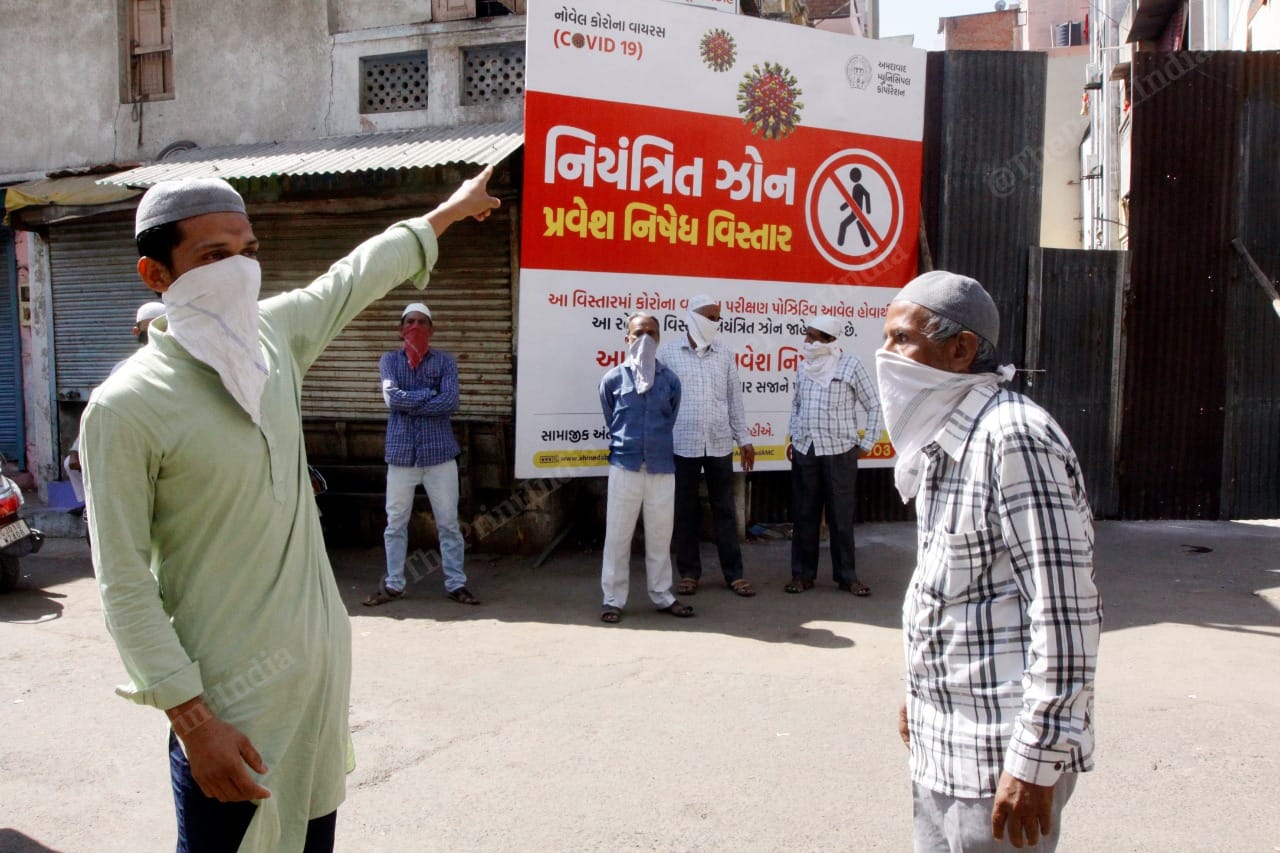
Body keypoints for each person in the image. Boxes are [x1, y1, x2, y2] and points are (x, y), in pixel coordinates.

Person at [79, 168, 499, 852]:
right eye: (214, 256)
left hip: (316, 693)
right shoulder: (125, 408)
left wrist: (447, 214)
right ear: (157, 274)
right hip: (230, 706)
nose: (240, 270)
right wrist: (193, 722)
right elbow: (122, 584)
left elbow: (354, 276)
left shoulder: (272, 340)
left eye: (248, 250)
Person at [877, 271, 1102, 852]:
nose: (886, 356)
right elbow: (954, 594)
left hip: (1000, 757)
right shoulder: (945, 440)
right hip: (942, 740)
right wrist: (919, 692)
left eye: (901, 338)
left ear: (960, 349)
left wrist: (1035, 761)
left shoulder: (1014, 438)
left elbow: (1067, 614)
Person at [362, 302, 477, 607]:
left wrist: (410, 400)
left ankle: (456, 583)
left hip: (440, 456)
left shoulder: (444, 361)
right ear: (401, 330)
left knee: (449, 523)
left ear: (432, 329)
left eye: (422, 322)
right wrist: (428, 394)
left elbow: (451, 401)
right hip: (401, 456)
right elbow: (392, 398)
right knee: (396, 522)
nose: (416, 327)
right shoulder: (389, 361)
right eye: (410, 322)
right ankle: (394, 583)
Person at [597, 312, 694, 623]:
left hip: (662, 469)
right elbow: (610, 416)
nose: (645, 340)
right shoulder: (612, 379)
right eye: (639, 333)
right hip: (625, 467)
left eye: (651, 333)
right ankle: (613, 600)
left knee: (660, 536)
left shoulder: (670, 381)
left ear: (659, 339)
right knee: (617, 537)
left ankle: (663, 595)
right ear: (627, 339)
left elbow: (672, 418)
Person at [658, 294, 757, 598]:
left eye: (718, 318)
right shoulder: (668, 354)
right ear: (693, 318)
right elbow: (660, 401)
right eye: (710, 317)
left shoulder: (724, 355)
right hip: (681, 443)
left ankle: (734, 574)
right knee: (684, 510)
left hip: (718, 443)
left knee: (725, 509)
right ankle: (688, 573)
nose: (716, 323)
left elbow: (734, 400)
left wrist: (745, 439)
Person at [785, 314, 882, 596]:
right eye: (807, 335)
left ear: (828, 340)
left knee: (841, 517)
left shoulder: (851, 365)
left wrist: (869, 443)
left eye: (812, 337)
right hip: (807, 449)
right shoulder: (804, 367)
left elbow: (874, 405)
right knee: (804, 516)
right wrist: (794, 435)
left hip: (840, 451)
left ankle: (847, 577)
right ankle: (802, 575)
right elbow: (797, 404)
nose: (806, 342)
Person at [64, 301, 166, 504]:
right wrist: (77, 449)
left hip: (166, 446)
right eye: (148, 333)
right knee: (71, 464)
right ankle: (88, 506)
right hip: (129, 442)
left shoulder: (187, 368)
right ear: (136, 332)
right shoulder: (124, 368)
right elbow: (100, 409)